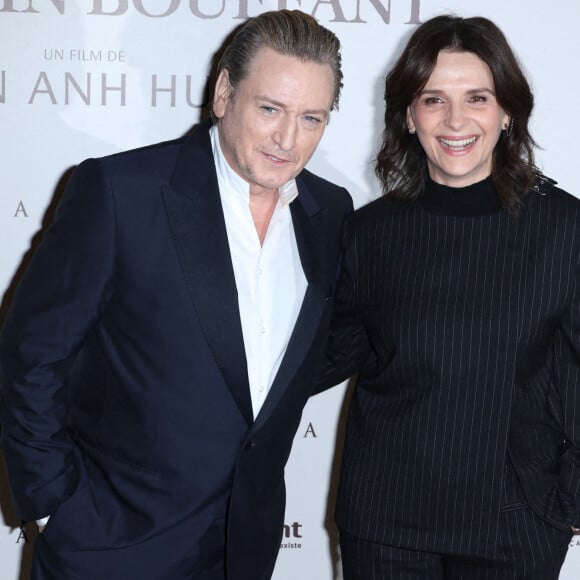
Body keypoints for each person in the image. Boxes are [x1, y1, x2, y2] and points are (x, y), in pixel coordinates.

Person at [0, 10, 352, 580]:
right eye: (270, 109)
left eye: (311, 117)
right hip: (108, 549)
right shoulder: (122, 193)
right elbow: (30, 354)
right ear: (223, 94)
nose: (288, 139)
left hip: (242, 554)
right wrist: (51, 508)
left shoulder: (329, 213)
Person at [319, 15, 579, 579]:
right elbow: (319, 355)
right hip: (386, 524)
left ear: (507, 111)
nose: (455, 120)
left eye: (477, 97)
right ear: (409, 117)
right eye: (433, 99)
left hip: (516, 524)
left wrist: (572, 497)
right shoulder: (369, 234)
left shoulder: (565, 228)